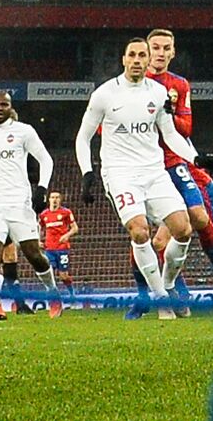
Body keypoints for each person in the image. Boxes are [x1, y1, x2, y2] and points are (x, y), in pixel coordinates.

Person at [76, 38, 196, 320]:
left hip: (154, 172)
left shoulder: (159, 92)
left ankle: (165, 285)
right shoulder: (105, 94)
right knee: (140, 232)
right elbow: (83, 138)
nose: (138, 60)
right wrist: (87, 173)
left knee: (184, 230)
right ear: (124, 59)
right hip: (120, 174)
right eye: (133, 55)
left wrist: (195, 159)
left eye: (143, 54)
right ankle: (161, 300)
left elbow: (170, 134)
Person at [144, 28, 213, 301]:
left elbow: (186, 127)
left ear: (173, 52)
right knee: (153, 239)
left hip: (174, 160)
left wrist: (169, 116)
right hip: (145, 166)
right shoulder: (134, 84)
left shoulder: (179, 85)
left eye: (165, 48)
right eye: (156, 47)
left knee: (198, 217)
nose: (160, 53)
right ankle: (171, 293)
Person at [0, 91, 63, 320]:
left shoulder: (23, 131)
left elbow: (46, 159)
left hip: (19, 203)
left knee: (33, 254)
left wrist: (42, 189)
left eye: (3, 104)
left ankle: (53, 293)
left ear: (10, 107)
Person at [39, 191, 79, 295]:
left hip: (62, 248)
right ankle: (53, 297)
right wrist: (38, 240)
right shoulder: (44, 215)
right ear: (49, 200)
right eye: (52, 197)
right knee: (49, 274)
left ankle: (71, 293)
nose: (55, 199)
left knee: (63, 275)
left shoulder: (66, 212)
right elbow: (40, 228)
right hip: (49, 249)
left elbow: (75, 228)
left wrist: (66, 236)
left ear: (60, 200)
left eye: (57, 197)